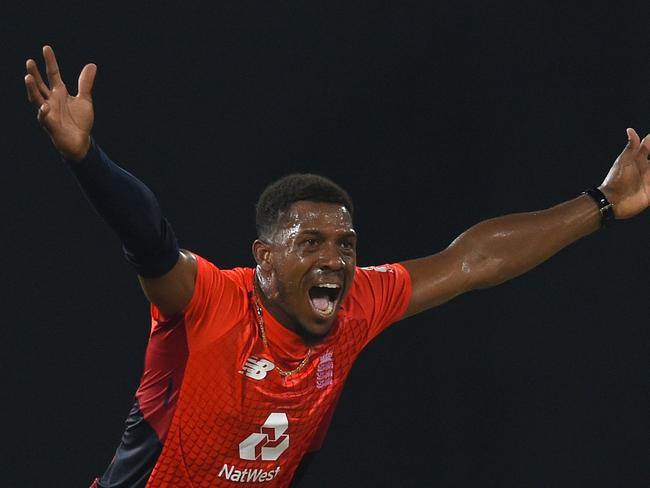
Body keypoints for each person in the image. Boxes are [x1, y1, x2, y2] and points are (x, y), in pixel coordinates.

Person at [24, 45, 650, 488]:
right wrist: (87, 160)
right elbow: (149, 239)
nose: (335, 259)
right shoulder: (208, 302)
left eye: (346, 245)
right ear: (265, 257)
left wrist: (601, 204)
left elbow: (471, 260)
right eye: (312, 243)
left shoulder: (357, 304)